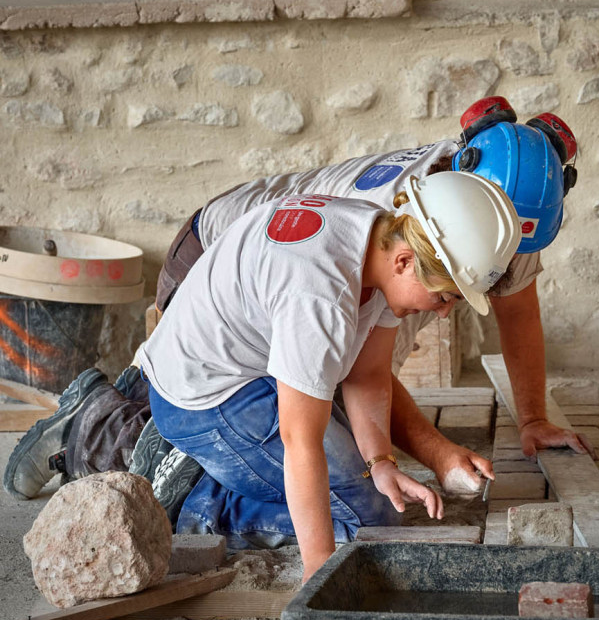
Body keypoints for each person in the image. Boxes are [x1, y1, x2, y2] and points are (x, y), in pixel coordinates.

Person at [4, 97, 591, 508]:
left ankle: (126, 399)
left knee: (315, 428)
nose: (452, 308)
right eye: (447, 295)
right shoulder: (395, 226)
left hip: (259, 287)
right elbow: (357, 376)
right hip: (209, 255)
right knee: (305, 445)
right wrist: (433, 454)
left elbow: (515, 305)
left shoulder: (488, 218)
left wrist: (534, 419)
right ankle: (106, 434)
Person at [139, 172, 521, 578]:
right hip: (203, 399)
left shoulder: (378, 236)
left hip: (243, 371)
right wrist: (318, 565)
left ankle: (223, 471)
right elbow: (300, 438)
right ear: (406, 262)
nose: (444, 312)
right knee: (369, 518)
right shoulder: (319, 294)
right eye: (444, 297)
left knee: (371, 487)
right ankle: (203, 505)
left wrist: (382, 463)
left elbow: (368, 375)